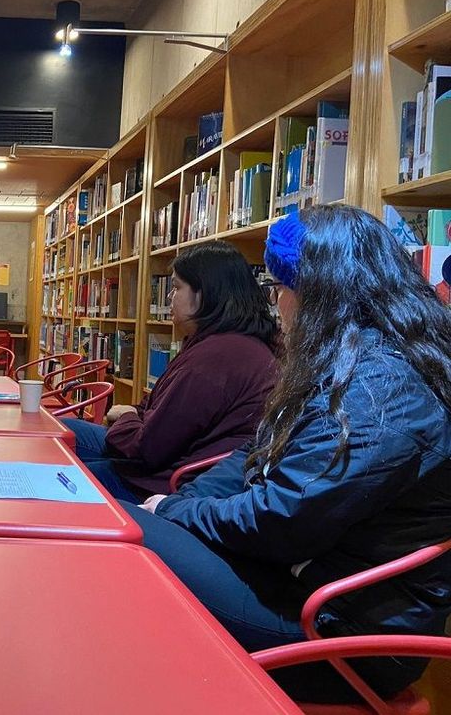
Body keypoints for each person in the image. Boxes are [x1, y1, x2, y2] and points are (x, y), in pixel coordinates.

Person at [128, 205, 451, 704]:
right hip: (304, 583)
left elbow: (286, 518)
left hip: (342, 633)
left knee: (122, 534)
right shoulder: (355, 361)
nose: (276, 303)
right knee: (123, 526)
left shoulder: (384, 388)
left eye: (281, 288)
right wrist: (187, 504)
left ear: (319, 295)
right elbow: (253, 453)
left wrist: (175, 511)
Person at [65, 241, 278, 502]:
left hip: (161, 485)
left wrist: (126, 417)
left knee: (62, 475)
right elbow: (153, 406)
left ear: (204, 293)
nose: (169, 297)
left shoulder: (218, 357)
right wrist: (133, 417)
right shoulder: (224, 343)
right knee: (61, 431)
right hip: (163, 465)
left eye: (176, 287)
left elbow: (147, 448)